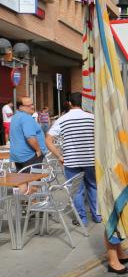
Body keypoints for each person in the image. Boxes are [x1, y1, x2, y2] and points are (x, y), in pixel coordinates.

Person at [46, 92, 100, 226]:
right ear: (82, 103)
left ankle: (82, 219)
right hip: (90, 160)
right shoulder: (92, 118)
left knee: (76, 190)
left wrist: (59, 156)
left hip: (71, 161)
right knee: (93, 187)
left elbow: (48, 140)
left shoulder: (62, 120)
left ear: (69, 103)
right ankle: (97, 215)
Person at [9, 97, 47, 174]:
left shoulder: (16, 117)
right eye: (28, 105)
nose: (32, 107)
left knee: (22, 181)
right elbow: (30, 137)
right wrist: (38, 150)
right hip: (30, 156)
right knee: (34, 183)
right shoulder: (26, 118)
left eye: (32, 104)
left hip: (19, 156)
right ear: (20, 107)